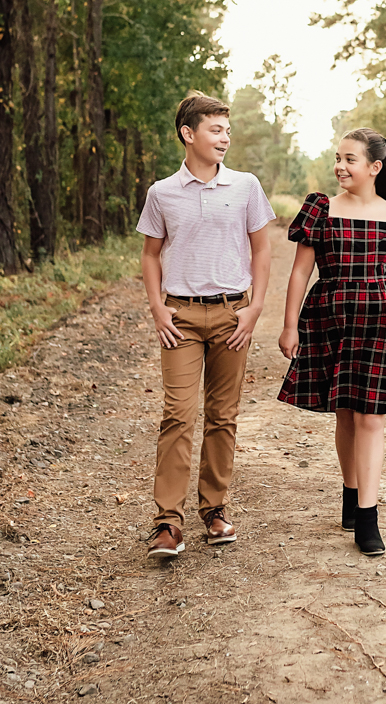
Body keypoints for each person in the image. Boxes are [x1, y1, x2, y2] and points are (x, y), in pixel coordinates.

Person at [277, 127, 386, 556]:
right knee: (346, 414)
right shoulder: (320, 209)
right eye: (337, 158)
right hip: (332, 319)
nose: (339, 166)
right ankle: (351, 493)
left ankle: (367, 517)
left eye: (349, 159)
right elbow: (299, 273)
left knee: (372, 417)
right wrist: (289, 324)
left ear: (374, 167)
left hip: (383, 322)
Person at [137, 92, 275, 557]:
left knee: (223, 416)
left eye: (227, 130)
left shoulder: (246, 186)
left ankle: (214, 511)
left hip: (232, 315)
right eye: (216, 130)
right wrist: (157, 307)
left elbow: (262, 249)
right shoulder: (162, 193)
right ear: (188, 134)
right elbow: (151, 254)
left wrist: (254, 309)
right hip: (181, 317)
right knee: (177, 414)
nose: (225, 138)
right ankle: (166, 524)